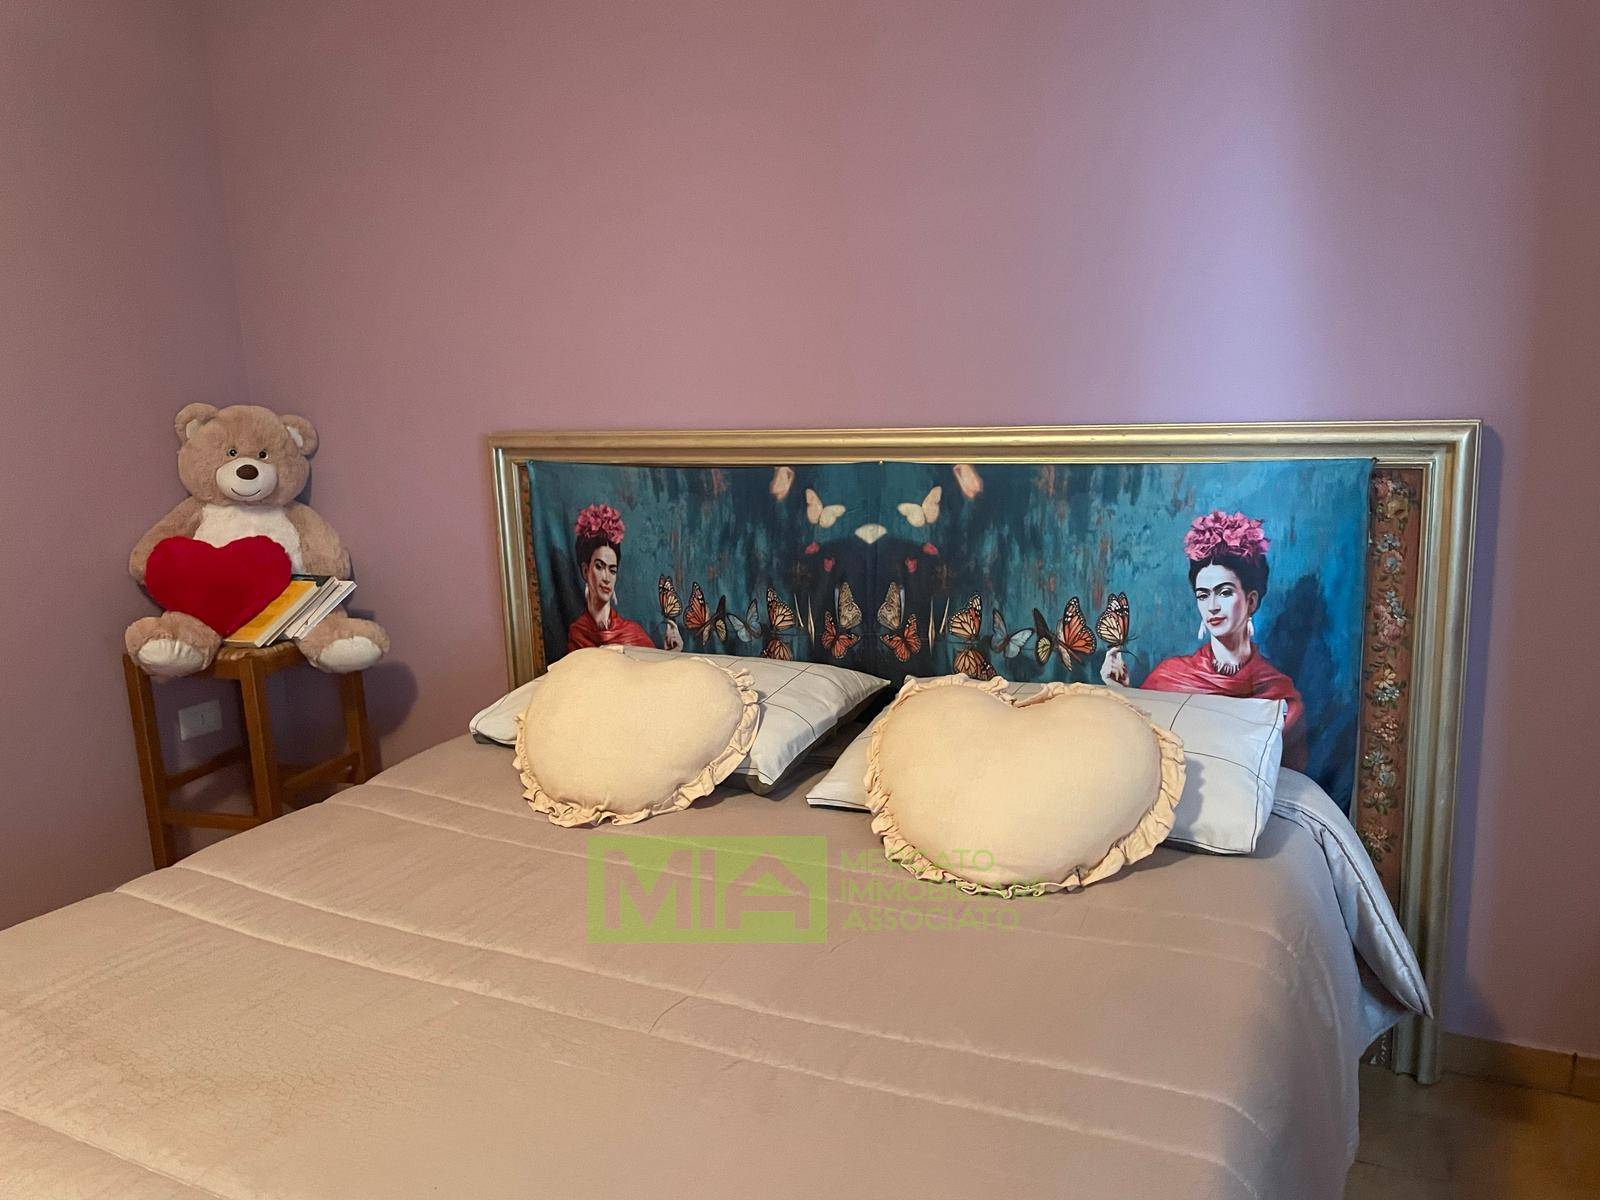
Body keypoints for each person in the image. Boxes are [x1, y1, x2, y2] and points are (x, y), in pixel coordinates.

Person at [1102, 510, 1305, 767]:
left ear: (1251, 601)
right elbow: (1138, 752)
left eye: (1224, 592)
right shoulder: (1169, 676)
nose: (1212, 606)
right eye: (1203, 595)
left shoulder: (1280, 695)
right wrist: (1123, 693)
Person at [564, 503, 681, 652]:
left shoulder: (633, 633)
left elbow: (651, 666)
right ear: (585, 570)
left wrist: (671, 654)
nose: (606, 578)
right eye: (599, 567)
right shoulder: (578, 634)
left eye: (612, 570)